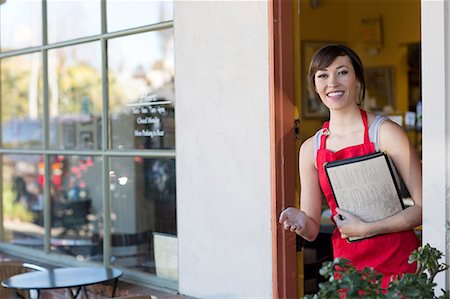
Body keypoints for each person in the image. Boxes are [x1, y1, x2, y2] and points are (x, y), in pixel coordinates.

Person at [279, 44, 422, 288]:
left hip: (400, 264)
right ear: (315, 85)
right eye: (323, 75)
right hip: (349, 271)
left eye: (342, 72)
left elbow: (424, 206)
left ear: (357, 79)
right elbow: (312, 230)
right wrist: (298, 220)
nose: (332, 82)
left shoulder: (385, 133)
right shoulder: (310, 150)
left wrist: (368, 229)